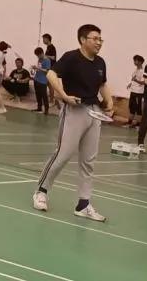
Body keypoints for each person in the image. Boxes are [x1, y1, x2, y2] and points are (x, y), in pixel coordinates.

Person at [33, 24, 113, 222]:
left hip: (94, 113)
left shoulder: (100, 62)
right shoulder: (71, 57)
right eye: (95, 38)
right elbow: (51, 74)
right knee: (63, 154)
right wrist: (63, 95)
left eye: (100, 39)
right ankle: (41, 191)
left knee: (88, 161)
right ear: (83, 40)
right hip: (74, 111)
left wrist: (109, 102)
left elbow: (102, 84)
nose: (99, 42)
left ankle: (83, 204)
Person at [126, 55, 146, 128]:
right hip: (133, 91)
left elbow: (143, 82)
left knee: (138, 108)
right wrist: (130, 84)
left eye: (136, 60)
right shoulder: (135, 70)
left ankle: (138, 123)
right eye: (134, 60)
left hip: (139, 92)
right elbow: (133, 79)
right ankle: (129, 122)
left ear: (141, 62)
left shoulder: (143, 71)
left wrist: (135, 80)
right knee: (131, 106)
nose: (135, 62)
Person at [31, 47, 51, 114]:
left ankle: (46, 109)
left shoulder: (47, 60)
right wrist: (35, 68)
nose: (38, 57)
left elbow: (47, 71)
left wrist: (38, 68)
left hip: (43, 80)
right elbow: (39, 68)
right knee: (38, 95)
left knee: (44, 95)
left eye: (38, 55)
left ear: (42, 53)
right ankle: (39, 108)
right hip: (36, 79)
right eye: (37, 55)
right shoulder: (39, 59)